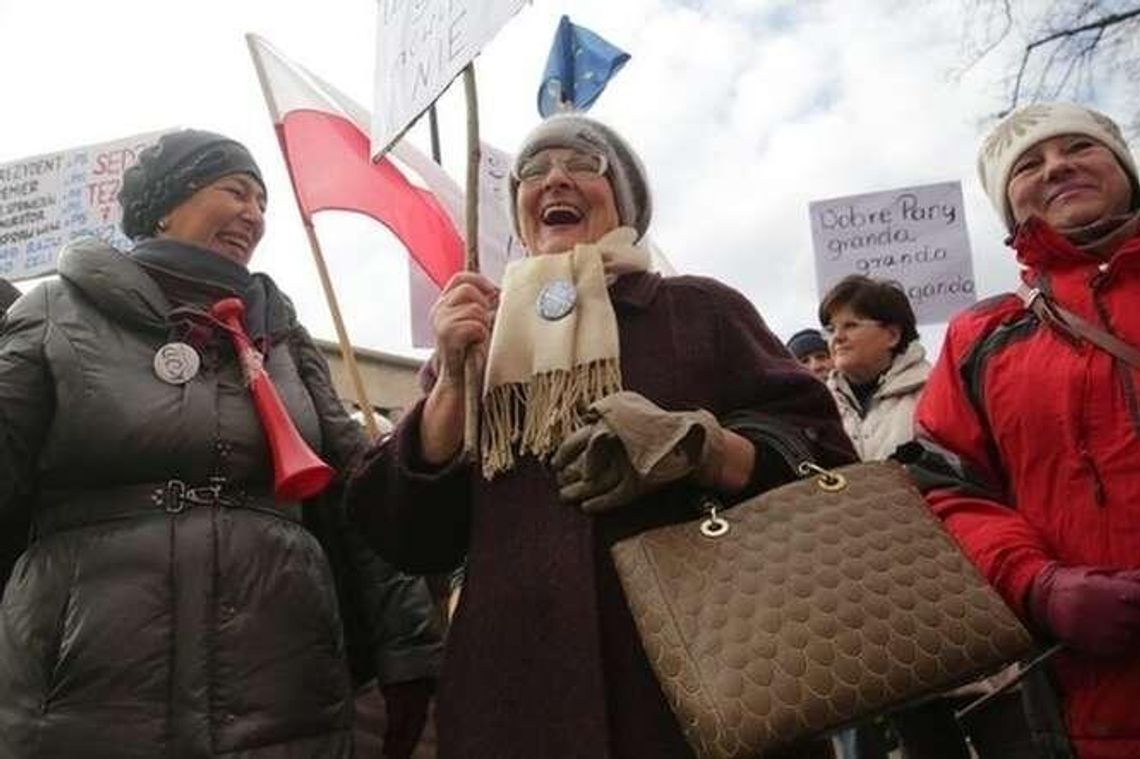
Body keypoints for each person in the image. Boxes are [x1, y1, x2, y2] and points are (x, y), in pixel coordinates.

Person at [346, 113, 854, 758]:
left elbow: (823, 452)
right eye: (534, 170)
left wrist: (701, 448)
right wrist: (449, 380)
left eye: (584, 163)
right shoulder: (481, 339)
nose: (555, 177)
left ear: (627, 201)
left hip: (704, 690)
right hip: (514, 705)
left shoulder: (699, 308)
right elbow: (407, 537)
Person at [0, 129, 442, 758]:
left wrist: (411, 649)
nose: (253, 215)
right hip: (81, 690)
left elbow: (356, 494)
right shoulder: (56, 311)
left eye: (262, 202)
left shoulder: (282, 335)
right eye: (235, 191)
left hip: (282, 688)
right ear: (164, 204)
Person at [907, 101, 1140, 759]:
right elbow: (948, 491)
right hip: (1091, 709)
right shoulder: (979, 338)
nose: (1058, 166)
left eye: (1079, 147)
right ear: (1011, 209)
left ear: (1122, 165)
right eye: (1029, 164)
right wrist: (1039, 585)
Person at [819, 275, 929, 462]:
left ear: (892, 335)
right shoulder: (818, 404)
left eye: (850, 325)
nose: (837, 337)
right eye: (830, 330)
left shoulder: (934, 392)